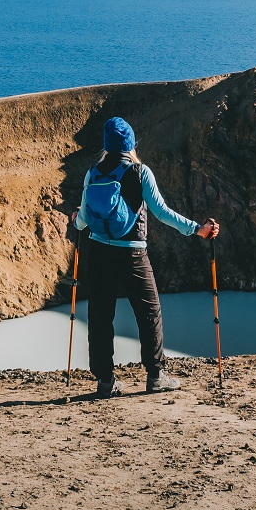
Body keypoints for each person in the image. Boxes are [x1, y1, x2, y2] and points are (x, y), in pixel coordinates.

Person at [72, 117, 219, 397]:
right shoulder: (140, 172)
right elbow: (162, 212)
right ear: (130, 144)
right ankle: (155, 376)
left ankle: (105, 382)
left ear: (107, 145)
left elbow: (82, 221)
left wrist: (75, 221)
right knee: (149, 313)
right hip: (133, 255)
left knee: (101, 317)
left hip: (99, 253)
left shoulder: (93, 173)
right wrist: (198, 230)